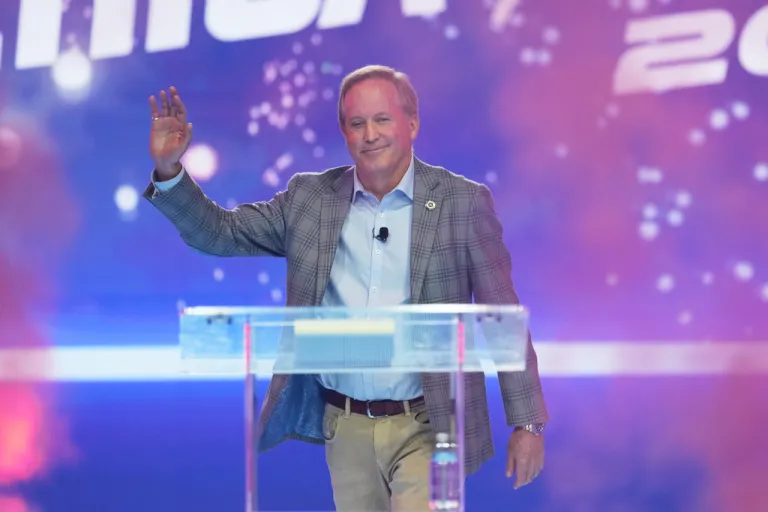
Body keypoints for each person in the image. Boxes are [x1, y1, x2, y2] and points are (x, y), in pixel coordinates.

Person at [144, 65, 549, 511]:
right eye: (357, 123)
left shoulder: (462, 202)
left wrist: (527, 424)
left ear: (411, 124)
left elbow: (500, 313)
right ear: (344, 132)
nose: (370, 134)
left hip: (429, 422)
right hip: (346, 424)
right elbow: (220, 233)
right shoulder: (309, 199)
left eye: (382, 120)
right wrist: (169, 169)